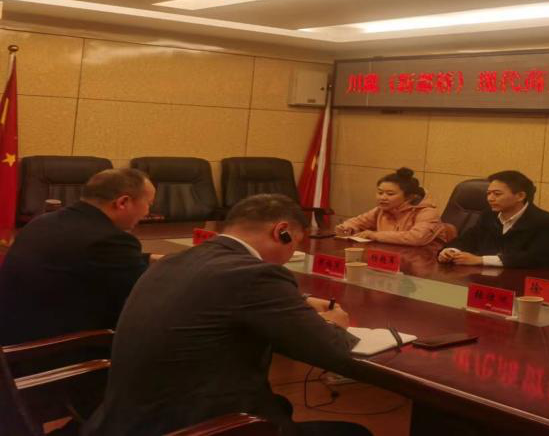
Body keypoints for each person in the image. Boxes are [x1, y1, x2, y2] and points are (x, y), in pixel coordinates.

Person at [84, 194, 370, 436]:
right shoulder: (255, 275)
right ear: (281, 231)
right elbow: (332, 350)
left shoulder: (173, 261)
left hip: (123, 422)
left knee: (281, 405)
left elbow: (217, 294)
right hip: (195, 427)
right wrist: (336, 325)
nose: (290, 254)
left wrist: (300, 301)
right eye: (294, 243)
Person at [0, 168, 157, 346]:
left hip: (12, 339)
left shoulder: (43, 222)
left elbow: (85, 258)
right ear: (123, 202)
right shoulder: (110, 240)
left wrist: (150, 258)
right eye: (149, 204)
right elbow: (146, 295)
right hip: (51, 353)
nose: (147, 212)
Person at [438, 170, 549, 268]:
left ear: (520, 196)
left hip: (523, 284)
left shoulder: (546, 222)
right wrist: (450, 251)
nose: (490, 199)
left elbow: (537, 258)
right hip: (486, 279)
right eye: (488, 193)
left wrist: (481, 260)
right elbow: (469, 239)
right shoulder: (489, 215)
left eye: (497, 194)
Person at [333, 167, 456, 248]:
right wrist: (346, 228)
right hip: (391, 258)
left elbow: (416, 238)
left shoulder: (427, 212)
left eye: (390, 194)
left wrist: (375, 235)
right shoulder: (381, 210)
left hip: (423, 263)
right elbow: (357, 222)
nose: (382, 197)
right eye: (380, 192)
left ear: (409, 197)